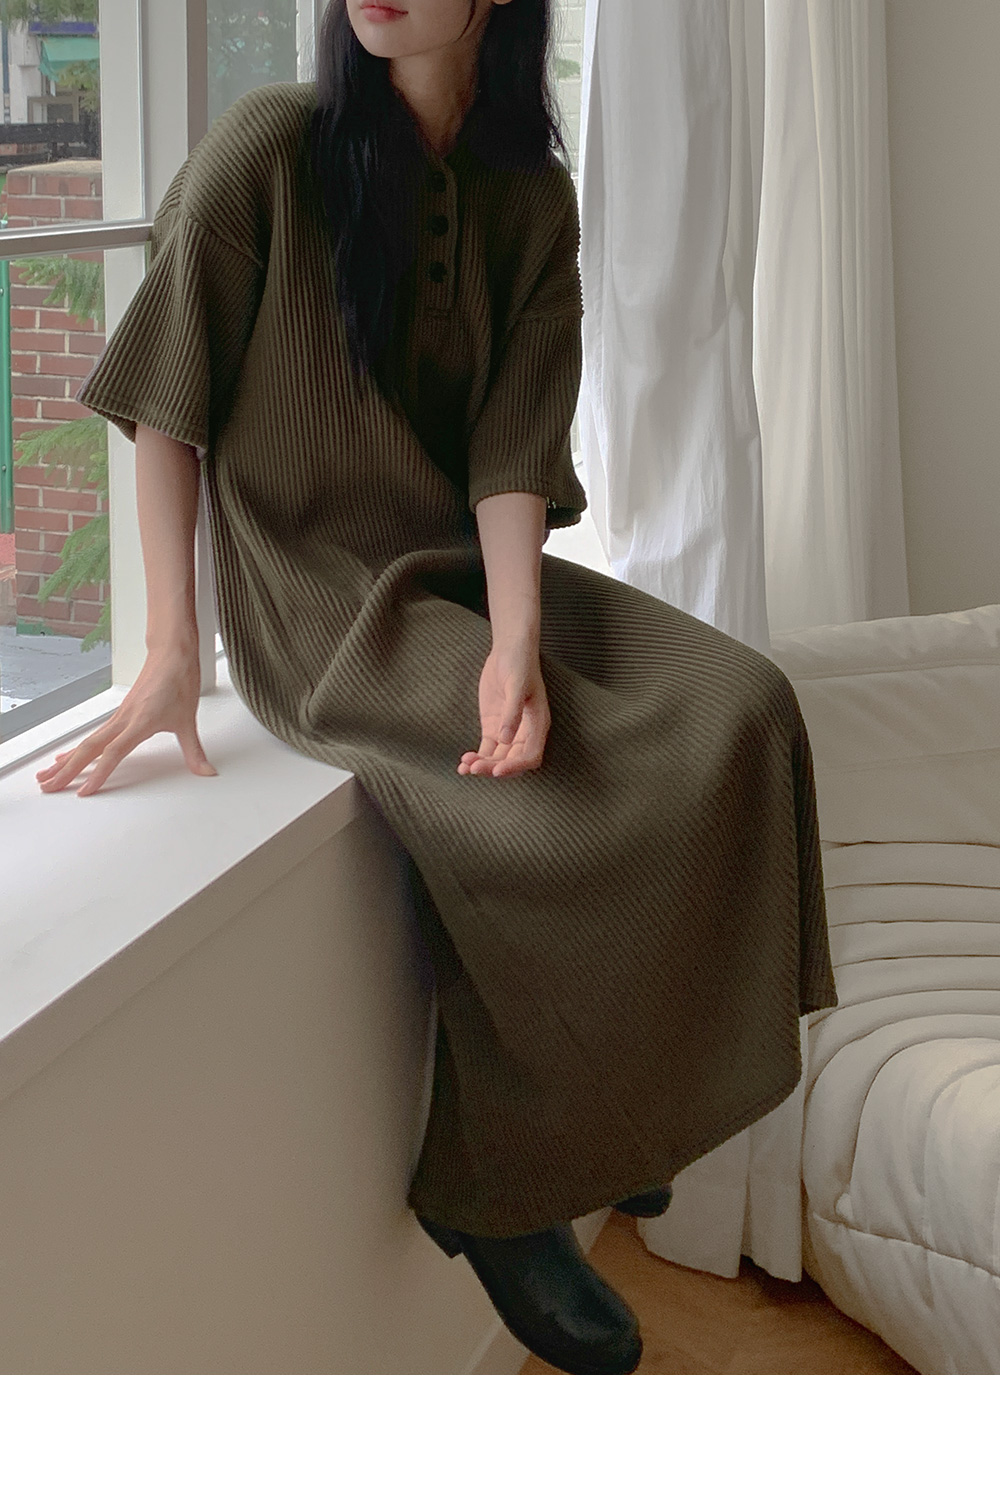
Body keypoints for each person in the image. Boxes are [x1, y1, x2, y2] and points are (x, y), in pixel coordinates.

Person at [36, 0, 839, 1376]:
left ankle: (625, 1101)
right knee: (543, 801)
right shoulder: (268, 148)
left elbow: (513, 450)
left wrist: (516, 643)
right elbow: (167, 403)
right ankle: (500, 1185)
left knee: (743, 709)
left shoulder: (530, 195)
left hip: (464, 569)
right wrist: (172, 650)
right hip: (318, 601)